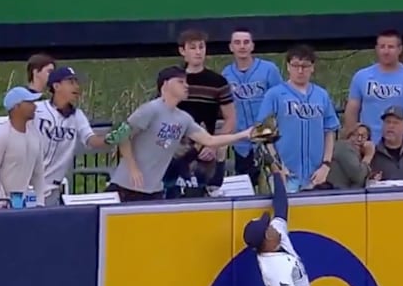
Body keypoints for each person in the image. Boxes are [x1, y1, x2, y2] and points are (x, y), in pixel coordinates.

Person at [107, 66, 253, 202]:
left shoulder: (184, 118)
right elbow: (122, 135)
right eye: (180, 82)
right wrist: (133, 168)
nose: (186, 86)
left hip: (154, 189)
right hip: (126, 187)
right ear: (165, 85)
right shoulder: (150, 110)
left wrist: (244, 134)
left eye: (186, 82)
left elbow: (209, 140)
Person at [242, 165, 333, 286]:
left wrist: (276, 173)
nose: (273, 225)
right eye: (268, 227)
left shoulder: (275, 239)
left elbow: (281, 206)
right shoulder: (276, 265)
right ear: (267, 237)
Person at [33, 67, 128, 206]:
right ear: (56, 86)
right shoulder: (36, 109)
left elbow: (91, 141)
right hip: (27, 185)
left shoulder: (77, 116)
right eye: (71, 82)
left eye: (76, 82)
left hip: (52, 190)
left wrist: (111, 138)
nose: (76, 87)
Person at [257, 45, 340, 192]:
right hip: (285, 174)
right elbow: (264, 134)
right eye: (295, 65)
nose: (300, 71)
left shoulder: (321, 95)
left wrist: (326, 165)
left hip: (315, 175)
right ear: (288, 67)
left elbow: (330, 131)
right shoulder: (274, 95)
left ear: (312, 68)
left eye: (305, 66)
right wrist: (276, 165)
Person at [344, 29, 403, 144]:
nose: (386, 51)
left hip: (400, 146)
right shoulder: (361, 77)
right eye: (382, 46)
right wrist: (354, 141)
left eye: (390, 47)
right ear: (376, 49)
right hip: (368, 145)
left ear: (400, 49)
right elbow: (352, 110)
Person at [173, 29, 237, 185]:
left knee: (206, 193)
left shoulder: (218, 82)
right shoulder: (173, 80)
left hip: (205, 149)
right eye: (193, 47)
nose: (198, 52)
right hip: (175, 149)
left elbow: (230, 118)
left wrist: (214, 145)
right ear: (183, 51)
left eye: (201, 47)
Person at [221, 28, 283, 186]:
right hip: (241, 141)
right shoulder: (226, 74)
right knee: (246, 186)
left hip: (269, 139)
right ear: (231, 47)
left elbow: (281, 102)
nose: (242, 46)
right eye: (237, 42)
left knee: (275, 183)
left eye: (246, 42)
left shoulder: (269, 69)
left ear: (252, 46)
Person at [0, 87, 46, 207]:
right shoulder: (1, 136)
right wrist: (0, 202)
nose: (34, 106)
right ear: (16, 107)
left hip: (18, 204)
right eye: (29, 103)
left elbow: (38, 173)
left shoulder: (35, 135)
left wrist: (40, 201)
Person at [325, 123, 377, 189]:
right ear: (348, 135)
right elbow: (358, 176)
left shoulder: (359, 155)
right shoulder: (343, 146)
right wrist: (368, 156)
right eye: (355, 135)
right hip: (336, 194)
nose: (359, 139)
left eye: (363, 137)